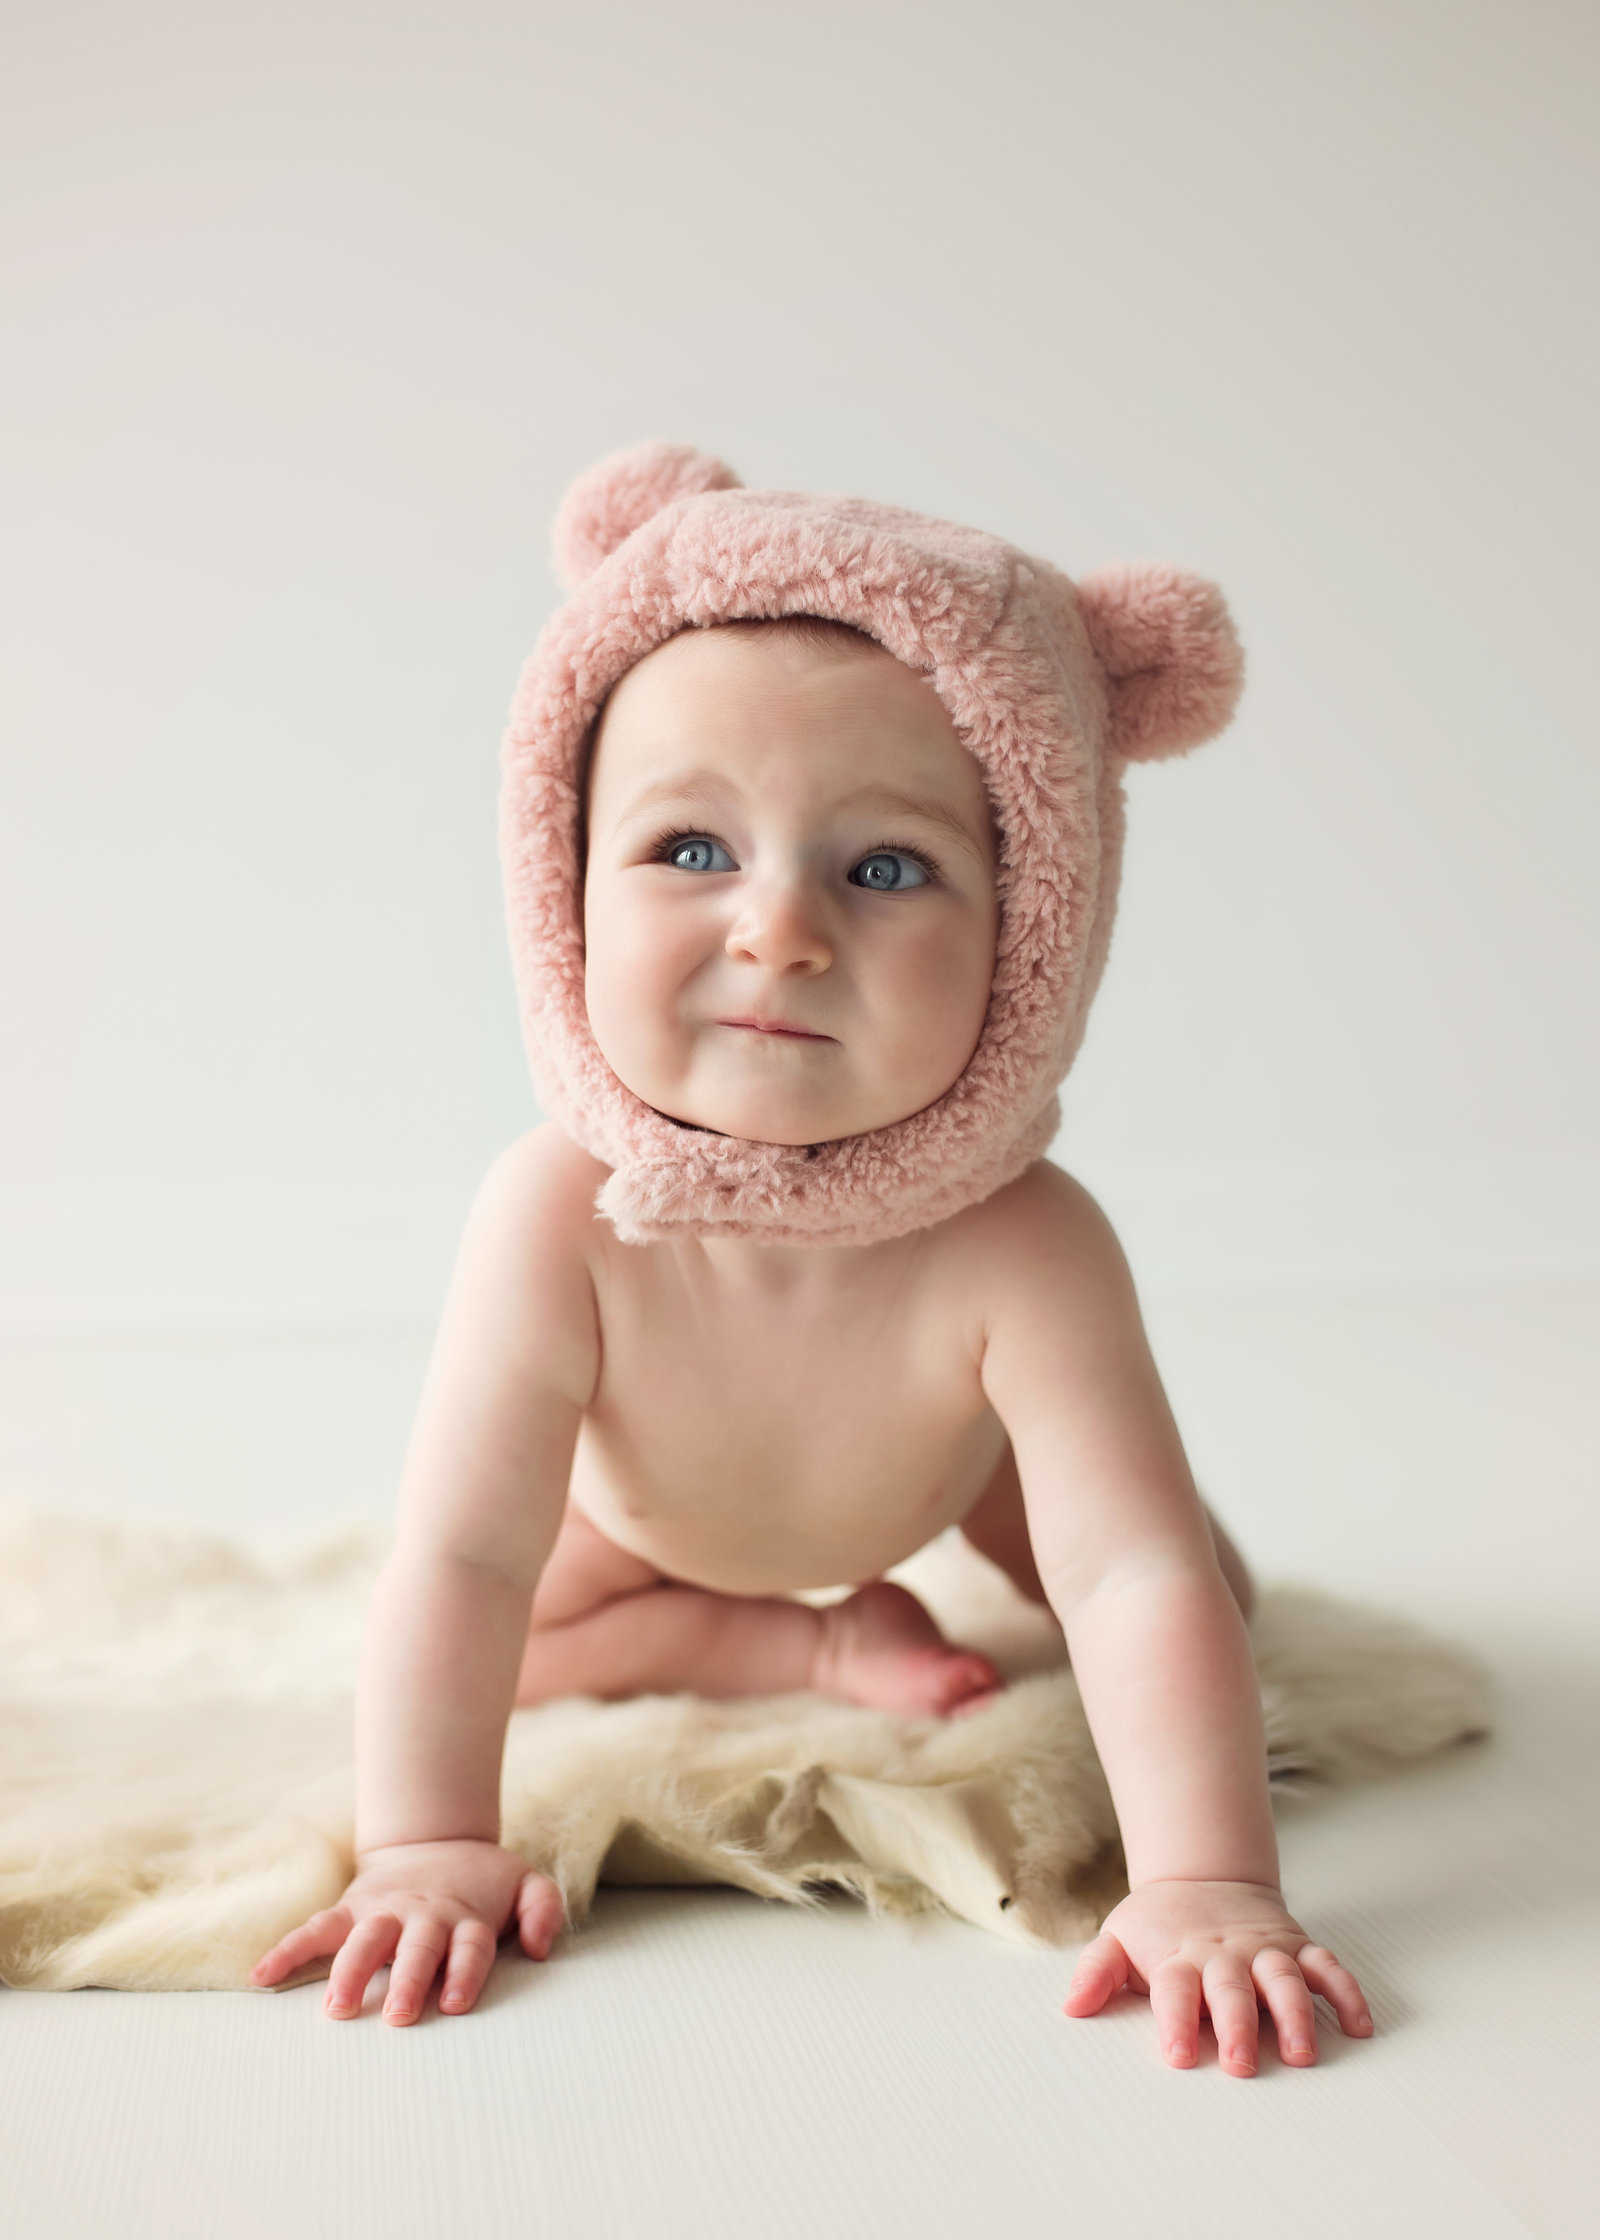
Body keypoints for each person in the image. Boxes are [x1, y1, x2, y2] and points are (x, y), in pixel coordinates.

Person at [251, 445, 1373, 2075]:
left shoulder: (1026, 1244)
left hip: (941, 1472)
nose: (778, 929)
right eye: (692, 849)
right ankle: (797, 1646)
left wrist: (1206, 1882)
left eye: (886, 867)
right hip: (635, 1525)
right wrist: (425, 1843)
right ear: (560, 887)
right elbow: (465, 1563)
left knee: (1183, 1593)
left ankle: (948, 1608)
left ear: (1035, 932)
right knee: (518, 1633)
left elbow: (1127, 1576)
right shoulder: (558, 1209)